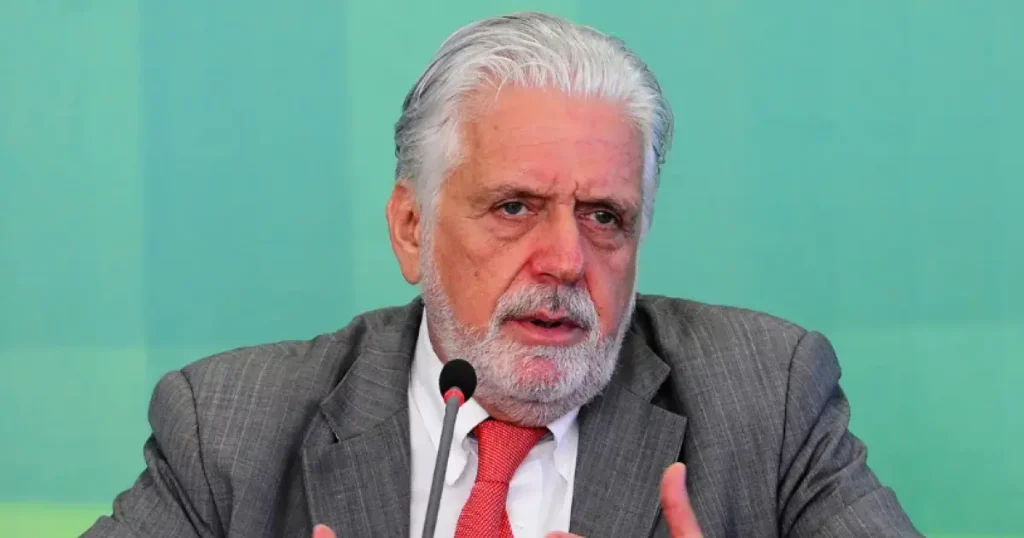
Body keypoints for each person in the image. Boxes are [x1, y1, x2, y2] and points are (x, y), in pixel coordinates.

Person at [83, 12, 921, 538]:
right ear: (412, 229)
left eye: (604, 216)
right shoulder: (229, 431)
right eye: (515, 206)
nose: (565, 261)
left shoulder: (767, 401)